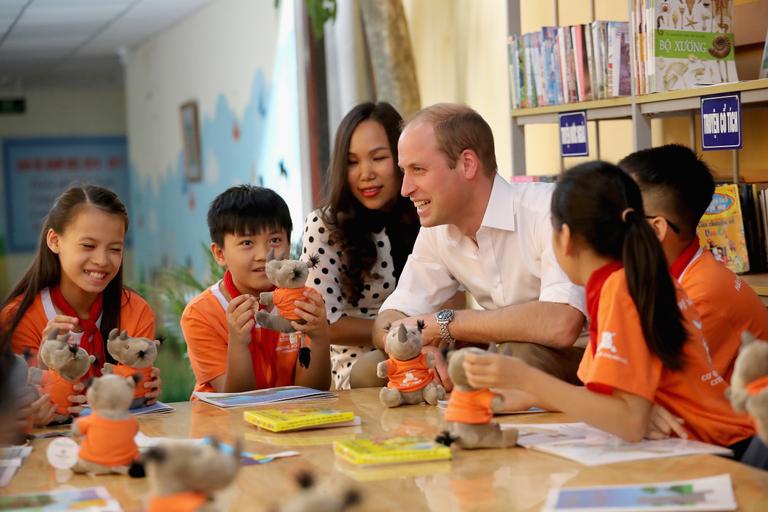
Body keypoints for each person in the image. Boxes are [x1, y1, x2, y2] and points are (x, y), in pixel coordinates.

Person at [462, 162, 755, 455]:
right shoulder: (627, 282)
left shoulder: (621, 288)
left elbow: (629, 421)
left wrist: (527, 379)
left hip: (723, 451)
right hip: (717, 441)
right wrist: (527, 396)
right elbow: (607, 401)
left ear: (564, 238)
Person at [372, 103, 586, 388]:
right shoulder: (439, 230)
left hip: (588, 360)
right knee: (374, 368)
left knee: (515, 356)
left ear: (467, 164)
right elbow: (388, 319)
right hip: (510, 358)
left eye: (418, 170)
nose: (405, 188)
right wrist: (411, 347)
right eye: (404, 171)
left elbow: (561, 323)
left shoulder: (548, 210)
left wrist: (445, 324)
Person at [620, 144, 768, 466]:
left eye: (620, 215)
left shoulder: (702, 293)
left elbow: (637, 388)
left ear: (655, 229)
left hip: (735, 447)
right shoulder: (657, 277)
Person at [0, 185, 159, 425]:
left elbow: (137, 394)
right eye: (88, 245)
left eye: (115, 249)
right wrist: (43, 368)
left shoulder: (135, 310)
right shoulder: (18, 316)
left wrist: (143, 385)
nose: (102, 260)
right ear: (54, 240)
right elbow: (30, 403)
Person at [301, 102, 420, 389]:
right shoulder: (325, 226)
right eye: (352, 162)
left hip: (429, 347)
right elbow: (325, 322)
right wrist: (396, 333)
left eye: (378, 158)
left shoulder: (426, 212)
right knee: (379, 366)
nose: (365, 173)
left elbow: (451, 300)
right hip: (359, 367)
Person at [181, 185, 331, 394]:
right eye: (247, 242)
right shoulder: (201, 314)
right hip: (223, 424)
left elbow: (313, 391)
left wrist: (320, 337)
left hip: (291, 419)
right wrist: (239, 343)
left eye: (275, 240)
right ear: (220, 254)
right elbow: (234, 400)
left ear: (289, 243)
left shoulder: (304, 301)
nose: (263, 254)